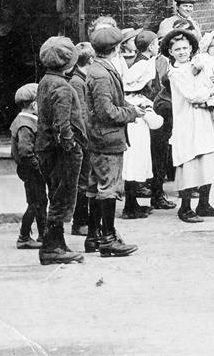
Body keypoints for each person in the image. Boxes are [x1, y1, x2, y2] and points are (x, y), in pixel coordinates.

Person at [160, 29, 214, 223]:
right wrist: (210, 92)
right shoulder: (176, 73)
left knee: (209, 159)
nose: (182, 52)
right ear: (170, 52)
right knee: (189, 163)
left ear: (191, 48)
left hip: (205, 118)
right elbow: (192, 96)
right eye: (177, 49)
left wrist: (209, 90)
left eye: (185, 48)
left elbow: (211, 83)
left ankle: (204, 204)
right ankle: (185, 208)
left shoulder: (198, 66)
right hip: (188, 121)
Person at [85, 26, 141, 257]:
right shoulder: (100, 73)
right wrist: (132, 114)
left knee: (94, 187)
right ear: (116, 48)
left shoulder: (99, 68)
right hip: (106, 139)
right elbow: (106, 111)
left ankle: (93, 236)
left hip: (100, 138)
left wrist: (131, 107)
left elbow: (113, 102)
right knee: (108, 188)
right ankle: (107, 239)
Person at [35, 37, 87, 264]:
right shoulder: (62, 87)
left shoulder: (46, 81)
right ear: (69, 63)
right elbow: (62, 124)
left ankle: (56, 243)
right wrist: (71, 145)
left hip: (47, 150)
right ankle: (52, 248)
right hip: (61, 153)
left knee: (56, 194)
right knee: (62, 197)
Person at [131, 30, 176, 210]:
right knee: (159, 155)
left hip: (152, 110)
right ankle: (157, 195)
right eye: (156, 43)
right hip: (152, 112)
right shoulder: (144, 64)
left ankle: (156, 194)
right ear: (151, 46)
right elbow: (149, 88)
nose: (158, 46)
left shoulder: (143, 61)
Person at [120, 58, 165, 219]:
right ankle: (130, 208)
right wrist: (161, 119)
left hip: (127, 142)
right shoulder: (143, 102)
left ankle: (132, 204)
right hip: (138, 143)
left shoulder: (124, 101)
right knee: (135, 171)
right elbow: (155, 123)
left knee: (129, 173)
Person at [11, 83, 47, 249]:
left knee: (40, 201)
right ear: (34, 104)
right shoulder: (25, 123)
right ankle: (24, 237)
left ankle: (43, 235)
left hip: (31, 170)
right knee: (35, 203)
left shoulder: (26, 120)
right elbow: (25, 152)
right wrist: (38, 168)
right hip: (31, 171)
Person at [68, 42, 96, 236]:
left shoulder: (81, 79)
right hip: (83, 140)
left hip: (85, 139)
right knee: (83, 182)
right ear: (91, 60)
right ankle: (79, 222)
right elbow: (81, 114)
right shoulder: (78, 82)